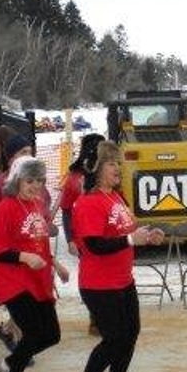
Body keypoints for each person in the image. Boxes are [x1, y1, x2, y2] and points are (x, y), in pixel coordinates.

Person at [71, 141, 165, 372]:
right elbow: (94, 245)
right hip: (99, 284)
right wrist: (131, 239)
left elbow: (125, 233)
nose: (118, 169)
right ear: (97, 168)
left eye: (119, 163)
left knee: (130, 333)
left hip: (122, 280)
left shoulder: (115, 197)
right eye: (112, 163)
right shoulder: (89, 202)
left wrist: (147, 235)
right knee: (114, 339)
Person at [0, 156, 70, 372]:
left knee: (51, 335)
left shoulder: (35, 204)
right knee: (32, 333)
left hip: (37, 279)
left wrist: (55, 263)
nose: (35, 185)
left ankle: (7, 364)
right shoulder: (6, 207)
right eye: (30, 180)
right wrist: (25, 257)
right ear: (17, 181)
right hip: (13, 281)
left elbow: (38, 244)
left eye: (40, 180)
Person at [51, 132, 105, 337]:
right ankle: (96, 320)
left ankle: (103, 317)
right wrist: (70, 239)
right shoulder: (75, 178)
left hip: (106, 233)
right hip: (86, 237)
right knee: (94, 278)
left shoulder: (107, 174)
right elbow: (66, 210)